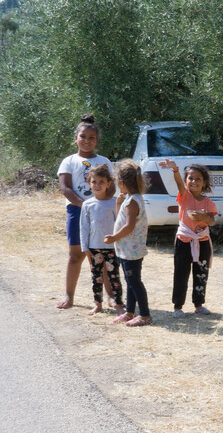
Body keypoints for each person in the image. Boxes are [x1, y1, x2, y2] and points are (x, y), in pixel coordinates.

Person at [56, 114, 115, 309]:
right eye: (83, 137)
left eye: (91, 138)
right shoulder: (69, 161)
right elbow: (66, 188)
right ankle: (69, 296)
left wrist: (103, 203)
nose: (87, 141)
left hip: (102, 213)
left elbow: (112, 187)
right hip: (76, 211)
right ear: (76, 138)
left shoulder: (104, 161)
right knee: (75, 255)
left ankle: (110, 298)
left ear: (96, 140)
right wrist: (84, 204)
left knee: (101, 256)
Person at [158, 159, 217, 318]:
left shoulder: (209, 203)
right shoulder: (184, 196)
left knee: (201, 273)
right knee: (181, 273)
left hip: (202, 241)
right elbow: (178, 183)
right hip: (184, 240)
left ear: (204, 182)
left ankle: (199, 304)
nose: (194, 181)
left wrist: (204, 216)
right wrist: (175, 170)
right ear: (186, 181)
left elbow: (212, 221)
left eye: (198, 178)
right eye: (190, 178)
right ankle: (178, 306)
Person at [105, 159, 152, 327]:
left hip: (131, 250)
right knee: (130, 281)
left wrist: (114, 237)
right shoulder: (130, 199)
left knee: (134, 282)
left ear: (122, 182)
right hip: (127, 250)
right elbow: (121, 219)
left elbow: (129, 226)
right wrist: (118, 202)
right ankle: (129, 312)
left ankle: (145, 315)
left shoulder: (133, 202)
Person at [79, 164, 124, 316]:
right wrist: (85, 248)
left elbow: (119, 224)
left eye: (101, 182)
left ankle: (118, 304)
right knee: (96, 278)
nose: (98, 185)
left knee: (114, 277)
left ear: (109, 183)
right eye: (94, 182)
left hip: (112, 248)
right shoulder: (87, 204)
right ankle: (98, 304)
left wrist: (119, 243)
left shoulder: (114, 203)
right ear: (89, 183)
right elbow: (84, 227)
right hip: (93, 248)